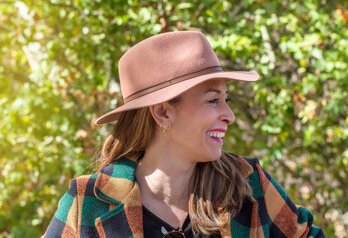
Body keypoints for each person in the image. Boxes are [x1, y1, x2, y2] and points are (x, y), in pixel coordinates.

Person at [43, 31, 325, 238]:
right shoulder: (88, 200)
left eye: (226, 99)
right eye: (213, 100)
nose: (229, 115)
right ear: (163, 113)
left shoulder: (250, 184)